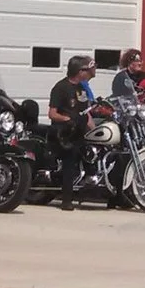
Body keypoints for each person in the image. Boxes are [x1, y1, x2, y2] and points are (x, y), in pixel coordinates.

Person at [46, 57, 102, 209]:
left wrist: (95, 131)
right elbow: (52, 113)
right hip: (64, 134)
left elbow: (86, 113)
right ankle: (66, 200)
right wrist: (67, 119)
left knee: (94, 151)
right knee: (70, 159)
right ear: (79, 71)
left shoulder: (82, 89)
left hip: (79, 133)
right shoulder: (60, 88)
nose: (90, 72)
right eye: (86, 69)